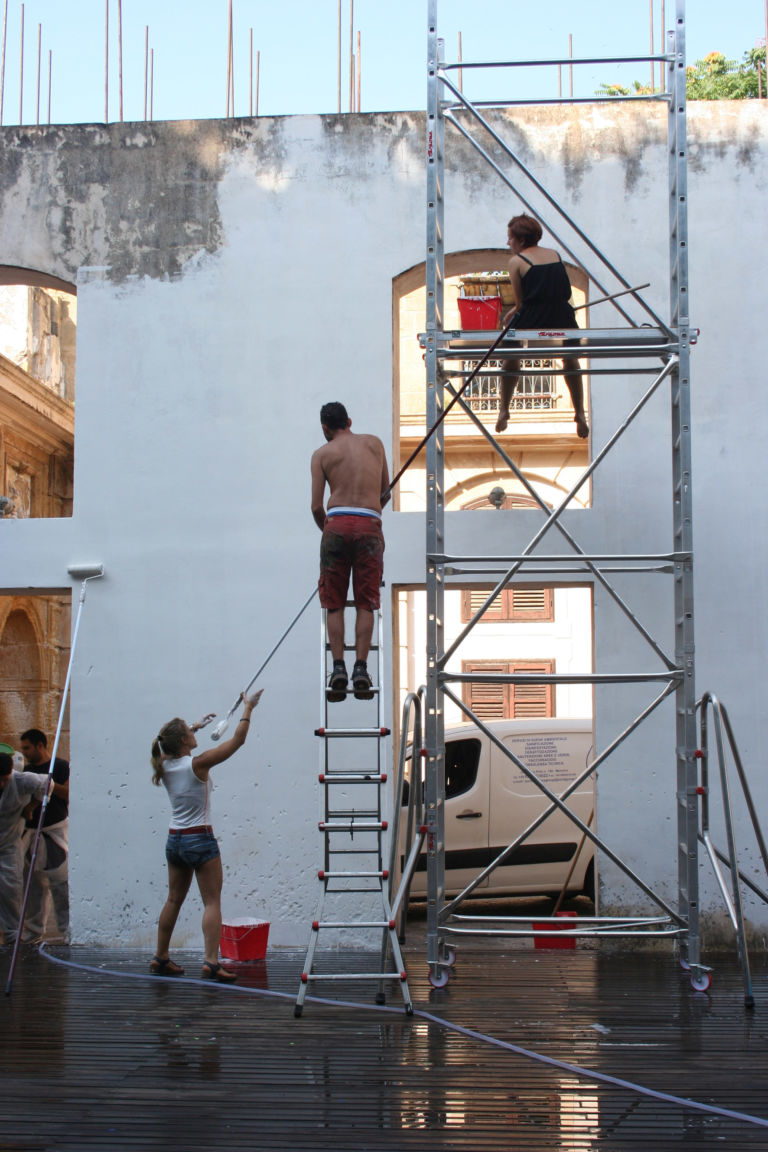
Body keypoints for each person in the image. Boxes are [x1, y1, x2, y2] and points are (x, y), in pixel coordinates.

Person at [150, 690, 263, 983]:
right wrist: (249, 708)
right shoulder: (197, 764)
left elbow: (164, 739)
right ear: (184, 741)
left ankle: (160, 956)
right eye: (189, 730)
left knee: (174, 899)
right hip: (199, 839)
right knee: (212, 902)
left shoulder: (163, 764)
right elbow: (237, 741)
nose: (193, 730)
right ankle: (211, 962)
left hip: (174, 839)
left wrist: (194, 726)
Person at [311, 402, 390, 702]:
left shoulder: (321, 454)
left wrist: (330, 531)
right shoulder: (374, 444)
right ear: (350, 421)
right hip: (370, 523)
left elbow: (317, 506)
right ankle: (360, 668)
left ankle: (339, 667)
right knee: (366, 602)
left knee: (334, 603)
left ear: (325, 428)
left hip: (336, 524)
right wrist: (366, 519)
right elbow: (386, 492)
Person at [495, 213, 589, 440]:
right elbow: (561, 290)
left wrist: (511, 313)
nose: (508, 243)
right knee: (571, 360)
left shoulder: (517, 262)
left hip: (533, 316)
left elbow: (520, 302)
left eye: (510, 238)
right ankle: (580, 413)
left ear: (521, 240)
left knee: (510, 358)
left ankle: (504, 408)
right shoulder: (555, 255)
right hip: (562, 315)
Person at [20, 728, 70, 943]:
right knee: (32, 886)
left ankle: (67, 931)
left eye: (27, 748)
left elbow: (68, 792)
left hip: (54, 830)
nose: (25, 752)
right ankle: (33, 933)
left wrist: (48, 786)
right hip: (31, 833)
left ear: (40, 745)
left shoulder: (59, 766)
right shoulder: (27, 770)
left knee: (60, 885)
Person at [0, 751, 51, 945]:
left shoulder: (22, 781)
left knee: (11, 891)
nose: (2, 784)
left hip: (9, 846)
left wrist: (31, 807)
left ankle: (13, 939)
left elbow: (48, 784)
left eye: (5, 779)